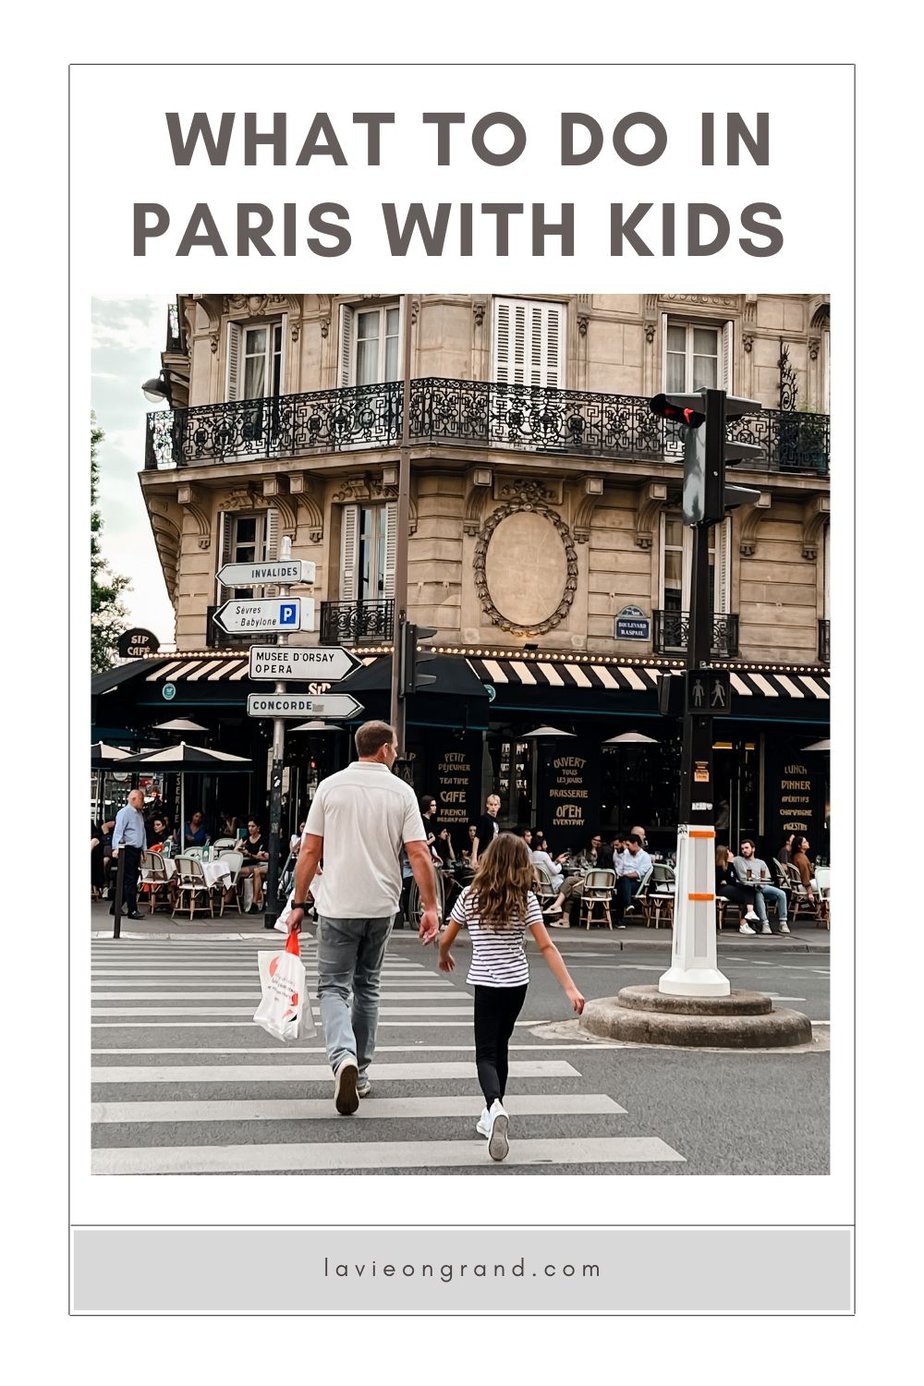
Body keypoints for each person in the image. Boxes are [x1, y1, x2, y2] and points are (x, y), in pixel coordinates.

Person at [286, 720, 440, 1115]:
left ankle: (343, 1058)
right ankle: (363, 1071)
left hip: (337, 905)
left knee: (334, 987)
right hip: (381, 906)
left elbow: (309, 851)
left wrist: (298, 902)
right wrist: (429, 907)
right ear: (385, 749)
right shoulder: (402, 792)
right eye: (396, 747)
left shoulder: (330, 787)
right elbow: (419, 853)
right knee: (368, 986)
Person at [438, 832, 585, 1161]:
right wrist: (570, 988)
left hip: (486, 986)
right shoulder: (526, 900)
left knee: (485, 1054)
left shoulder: (471, 896)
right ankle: (493, 1111)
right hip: (517, 985)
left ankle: (493, 1106)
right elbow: (546, 946)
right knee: (501, 1046)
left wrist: (443, 954)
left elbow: (447, 935)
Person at [734, 839, 791, 935]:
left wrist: (759, 880)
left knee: (782, 893)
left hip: (762, 886)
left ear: (753, 849)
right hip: (750, 888)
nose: (744, 850)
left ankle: (783, 922)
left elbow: (766, 878)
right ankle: (765, 924)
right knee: (759, 895)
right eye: (742, 848)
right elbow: (741, 876)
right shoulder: (738, 860)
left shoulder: (761, 862)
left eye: (747, 848)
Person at [110, 789, 146, 918]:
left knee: (130, 879)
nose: (143, 802)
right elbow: (118, 831)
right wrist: (116, 848)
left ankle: (116, 906)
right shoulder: (124, 813)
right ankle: (132, 909)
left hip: (135, 849)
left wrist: (144, 850)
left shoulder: (139, 814)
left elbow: (142, 832)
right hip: (127, 848)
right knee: (130, 880)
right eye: (142, 799)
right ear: (134, 799)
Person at [715, 845, 761, 934]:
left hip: (729, 887)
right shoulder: (718, 867)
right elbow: (728, 879)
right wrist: (729, 868)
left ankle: (749, 915)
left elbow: (733, 879)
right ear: (724, 854)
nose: (732, 854)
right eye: (729, 852)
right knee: (747, 898)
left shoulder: (730, 865)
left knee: (749, 889)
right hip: (722, 889)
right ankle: (744, 923)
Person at [614, 833, 653, 924]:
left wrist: (625, 875)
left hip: (636, 883)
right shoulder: (626, 853)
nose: (626, 847)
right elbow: (620, 866)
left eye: (628, 845)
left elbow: (638, 873)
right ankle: (627, 905)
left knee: (624, 882)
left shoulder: (645, 856)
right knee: (622, 885)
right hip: (623, 880)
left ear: (635, 843)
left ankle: (619, 918)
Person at [239, 818, 269, 912]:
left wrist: (249, 854)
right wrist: (240, 847)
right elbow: (235, 851)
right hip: (247, 863)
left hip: (258, 865)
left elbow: (262, 857)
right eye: (249, 826)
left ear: (258, 828)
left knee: (237, 873)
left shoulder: (263, 839)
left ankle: (253, 901)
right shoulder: (245, 838)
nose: (250, 828)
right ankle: (235, 898)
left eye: (253, 826)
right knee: (234, 872)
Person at [471, 794, 501, 867]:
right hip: (484, 853)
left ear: (499, 806)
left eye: (495, 805)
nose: (493, 807)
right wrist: (474, 857)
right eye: (491, 804)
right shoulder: (484, 819)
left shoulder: (496, 821)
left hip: (493, 854)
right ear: (487, 805)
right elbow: (477, 838)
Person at [790, 835, 817, 907]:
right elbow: (805, 876)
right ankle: (826, 911)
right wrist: (810, 893)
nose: (807, 842)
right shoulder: (801, 859)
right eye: (805, 842)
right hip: (803, 886)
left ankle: (807, 907)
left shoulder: (797, 856)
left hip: (797, 885)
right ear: (799, 846)